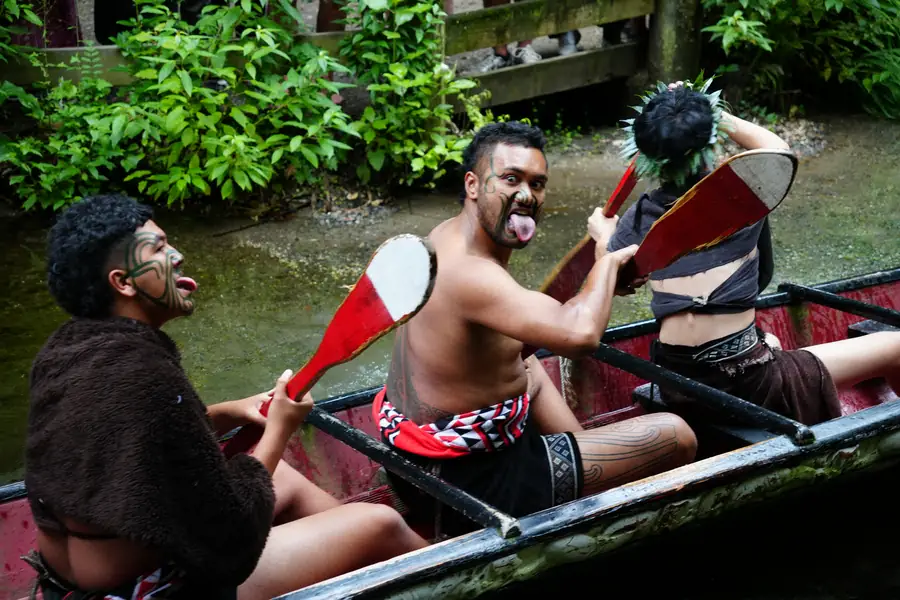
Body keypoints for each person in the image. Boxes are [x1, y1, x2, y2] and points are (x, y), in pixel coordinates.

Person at [23, 194, 428, 600]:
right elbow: (229, 534)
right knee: (380, 523)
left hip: (65, 581)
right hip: (151, 588)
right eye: (159, 248)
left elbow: (141, 437)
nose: (177, 256)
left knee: (282, 477)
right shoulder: (145, 374)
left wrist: (233, 411)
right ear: (123, 282)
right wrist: (281, 428)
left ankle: (354, 564)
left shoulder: (70, 352)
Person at [373, 121, 698, 539]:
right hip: (473, 482)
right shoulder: (473, 275)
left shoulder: (444, 237)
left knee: (527, 370)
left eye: (537, 184)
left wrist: (597, 288)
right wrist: (609, 261)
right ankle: (595, 504)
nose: (527, 195)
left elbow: (533, 330)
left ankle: (585, 478)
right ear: (473, 184)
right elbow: (581, 337)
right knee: (678, 435)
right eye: (511, 179)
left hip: (416, 459)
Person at [587, 79, 900, 427]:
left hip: (677, 381)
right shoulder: (740, 197)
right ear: (711, 141)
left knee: (769, 338)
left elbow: (612, 281)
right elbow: (778, 153)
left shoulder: (640, 215)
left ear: (647, 157)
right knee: (896, 347)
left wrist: (603, 237)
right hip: (748, 383)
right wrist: (711, 112)